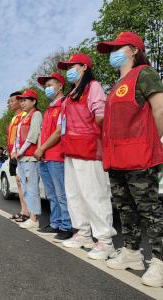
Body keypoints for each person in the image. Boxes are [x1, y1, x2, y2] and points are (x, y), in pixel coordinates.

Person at [97, 32, 163, 286]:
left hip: (141, 155)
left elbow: (159, 107)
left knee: (150, 210)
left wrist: (158, 143)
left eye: (117, 47)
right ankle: (132, 253)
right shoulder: (115, 84)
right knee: (125, 208)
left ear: (133, 50)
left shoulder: (144, 73)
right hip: (117, 158)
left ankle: (159, 259)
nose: (112, 53)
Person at [57, 53, 116, 260]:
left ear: (84, 67)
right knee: (74, 194)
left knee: (94, 194)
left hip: (89, 149)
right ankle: (83, 234)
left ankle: (105, 241)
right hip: (71, 150)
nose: (69, 70)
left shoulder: (94, 87)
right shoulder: (70, 94)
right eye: (67, 67)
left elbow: (101, 116)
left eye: (72, 66)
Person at [34, 72, 73, 242]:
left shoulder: (65, 104)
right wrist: (40, 150)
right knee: (51, 194)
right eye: (46, 86)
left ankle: (67, 226)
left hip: (57, 155)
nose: (47, 88)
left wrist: (41, 148)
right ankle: (55, 223)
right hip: (45, 156)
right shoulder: (50, 108)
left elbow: (59, 131)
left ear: (60, 86)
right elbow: (43, 132)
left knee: (61, 193)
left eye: (50, 85)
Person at [13, 89, 42, 230]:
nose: (22, 102)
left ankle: (34, 218)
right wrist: (14, 150)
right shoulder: (24, 117)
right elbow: (18, 137)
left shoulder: (36, 115)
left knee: (31, 188)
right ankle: (30, 215)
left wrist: (20, 151)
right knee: (25, 188)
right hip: (21, 158)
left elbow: (32, 136)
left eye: (25, 100)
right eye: (21, 100)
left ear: (34, 101)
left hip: (30, 157)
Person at [7, 91, 31, 223]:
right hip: (13, 154)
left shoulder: (25, 116)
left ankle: (28, 212)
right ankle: (24, 211)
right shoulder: (13, 118)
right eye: (8, 102)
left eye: (11, 101)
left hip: (21, 154)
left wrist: (19, 152)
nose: (9, 104)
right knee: (18, 183)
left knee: (24, 183)